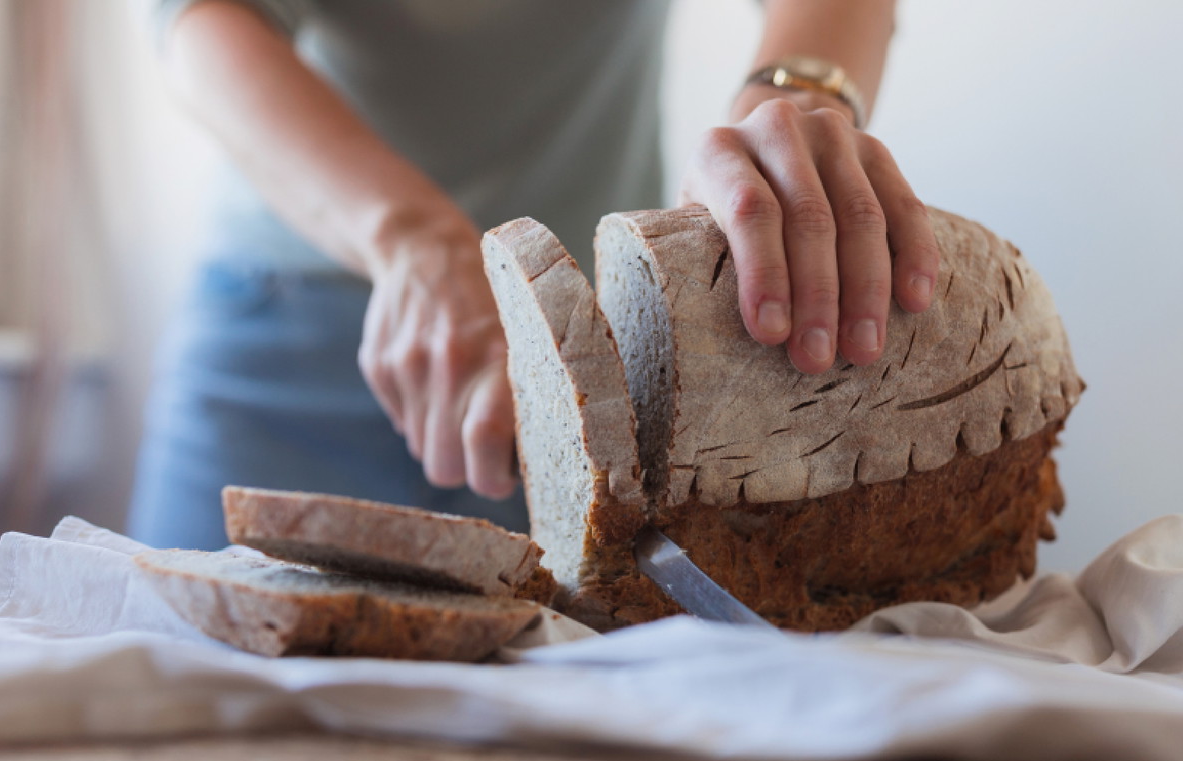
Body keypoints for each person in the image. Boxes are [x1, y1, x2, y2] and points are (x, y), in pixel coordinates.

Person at [129, 0, 938, 550]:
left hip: (581, 365)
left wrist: (788, 104)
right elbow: (202, 21)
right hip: (282, 345)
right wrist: (410, 236)